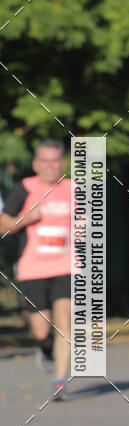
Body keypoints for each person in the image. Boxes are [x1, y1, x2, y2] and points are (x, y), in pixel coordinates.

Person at [0, 140, 73, 399]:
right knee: (40, 329)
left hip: (67, 266)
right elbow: (3, 225)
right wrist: (26, 219)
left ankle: (59, 381)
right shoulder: (25, 188)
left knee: (65, 321)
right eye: (45, 161)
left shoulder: (74, 190)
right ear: (36, 164)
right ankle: (45, 347)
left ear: (63, 164)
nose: (50, 166)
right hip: (33, 268)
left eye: (55, 161)